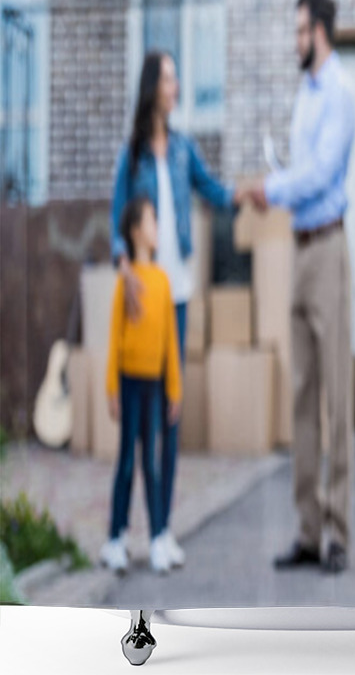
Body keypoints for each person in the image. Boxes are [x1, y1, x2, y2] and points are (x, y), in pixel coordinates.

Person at [109, 50, 257, 568]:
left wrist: (245, 194)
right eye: (170, 78)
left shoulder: (184, 149)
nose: (176, 87)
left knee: (171, 413)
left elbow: (213, 191)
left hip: (176, 296)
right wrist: (123, 269)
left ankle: (164, 532)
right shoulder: (131, 156)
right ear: (154, 88)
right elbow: (115, 225)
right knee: (139, 421)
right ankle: (125, 533)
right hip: (141, 299)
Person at [253, 0, 355, 574]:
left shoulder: (339, 94)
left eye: (299, 31)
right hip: (299, 247)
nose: (295, 41)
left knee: (336, 397)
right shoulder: (304, 95)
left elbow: (318, 175)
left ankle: (339, 531)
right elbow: (300, 171)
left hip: (329, 251)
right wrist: (277, 184)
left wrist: (269, 190)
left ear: (320, 32)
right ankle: (309, 530)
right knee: (301, 395)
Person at [100, 196, 182, 575]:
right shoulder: (127, 280)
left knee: (151, 463)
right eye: (152, 220)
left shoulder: (163, 280)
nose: (157, 228)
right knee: (127, 462)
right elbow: (114, 338)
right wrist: (111, 389)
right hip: (130, 384)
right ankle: (115, 539)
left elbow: (170, 343)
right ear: (136, 231)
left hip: (154, 386)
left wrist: (175, 390)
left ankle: (157, 538)